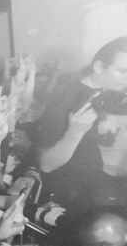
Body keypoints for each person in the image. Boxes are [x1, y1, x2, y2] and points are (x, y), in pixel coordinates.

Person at [37, 37, 127, 207]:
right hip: (72, 192)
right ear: (99, 67)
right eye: (122, 71)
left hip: (95, 179)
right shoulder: (65, 101)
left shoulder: (103, 90)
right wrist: (74, 134)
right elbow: (46, 164)